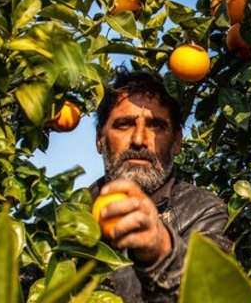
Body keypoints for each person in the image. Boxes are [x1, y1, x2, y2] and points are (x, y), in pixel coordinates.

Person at [88, 68, 232, 303]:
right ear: (99, 140)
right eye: (124, 124)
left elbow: (211, 293)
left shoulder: (201, 211)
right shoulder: (76, 211)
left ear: (177, 142)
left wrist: (161, 250)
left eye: (156, 126)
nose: (139, 140)